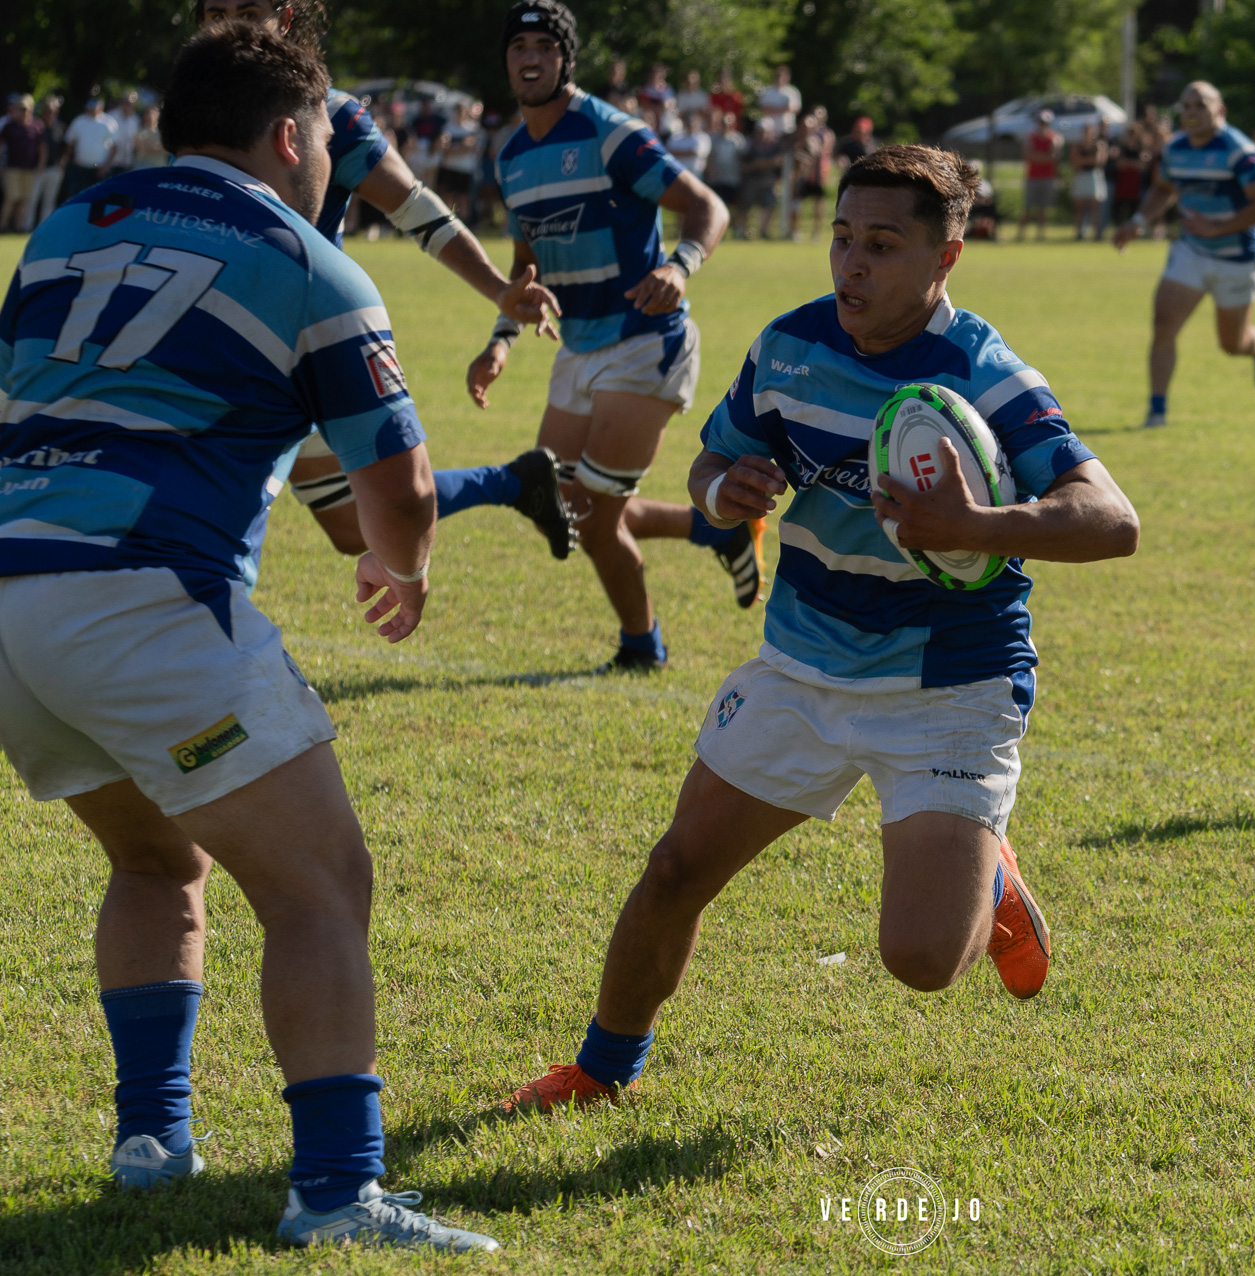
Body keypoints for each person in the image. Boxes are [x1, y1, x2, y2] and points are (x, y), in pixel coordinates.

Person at [500, 144, 1140, 1115]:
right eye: (842, 238)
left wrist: (975, 526)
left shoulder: (985, 375)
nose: (852, 265)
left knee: (921, 960)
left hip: (948, 681)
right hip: (803, 663)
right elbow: (708, 470)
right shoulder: (789, 347)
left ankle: (991, 883)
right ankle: (601, 1069)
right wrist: (724, 493)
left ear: (945, 259)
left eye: (882, 245)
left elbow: (1112, 520)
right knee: (675, 868)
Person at [0, 22, 496, 1253]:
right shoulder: (306, 257)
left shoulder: (67, 227)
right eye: (328, 136)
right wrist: (403, 566)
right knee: (321, 884)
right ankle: (335, 1192)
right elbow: (403, 487)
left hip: (12, 593)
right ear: (290, 135)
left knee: (154, 860)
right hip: (143, 596)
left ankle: (151, 1141)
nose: (331, 160)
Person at [196, 0, 572, 570]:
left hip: (301, 346)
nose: (233, 26)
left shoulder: (330, 117)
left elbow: (417, 211)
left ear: (286, 19)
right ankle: (515, 482)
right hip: (222, 332)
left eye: (250, 9)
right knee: (352, 526)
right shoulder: (192, 115)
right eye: (216, 12)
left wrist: (499, 289)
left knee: (213, 497)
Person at [468, 1, 758, 674]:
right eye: (518, 47)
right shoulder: (510, 157)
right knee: (557, 507)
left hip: (643, 341)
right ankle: (714, 530)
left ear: (565, 57)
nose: (530, 58)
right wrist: (501, 341)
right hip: (576, 347)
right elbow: (525, 268)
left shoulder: (611, 134)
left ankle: (641, 646)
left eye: (544, 45)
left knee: (596, 521)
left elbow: (707, 205)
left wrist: (679, 266)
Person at [1114, 80, 1255, 429]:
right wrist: (1138, 221)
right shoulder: (1176, 149)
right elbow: (1164, 189)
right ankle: (1157, 412)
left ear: (1220, 110)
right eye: (1186, 106)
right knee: (1163, 325)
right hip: (1191, 251)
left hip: (1236, 258)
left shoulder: (1237, 150)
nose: (1191, 112)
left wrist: (1217, 228)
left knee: (1232, 344)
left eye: (1200, 105)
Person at [62, 97, 119, 202]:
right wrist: (70, 157)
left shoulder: (109, 122)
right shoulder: (79, 121)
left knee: (97, 198)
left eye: (94, 108)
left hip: (98, 168)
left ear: (100, 107)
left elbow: (115, 147)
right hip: (80, 167)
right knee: (77, 196)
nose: (91, 110)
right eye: (90, 108)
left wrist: (106, 165)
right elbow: (70, 141)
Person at [1018, 109, 1063, 241]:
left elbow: (1054, 156)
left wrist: (1037, 156)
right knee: (1027, 207)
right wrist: (1045, 157)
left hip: (1048, 177)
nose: (1042, 125)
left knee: (1043, 209)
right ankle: (1021, 235)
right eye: (1040, 122)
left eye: (1045, 123)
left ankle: (1040, 235)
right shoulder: (1030, 137)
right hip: (1032, 177)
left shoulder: (1055, 138)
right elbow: (1027, 155)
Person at [1, 94, 44, 231]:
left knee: (24, 199)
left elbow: (42, 148)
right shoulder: (10, 126)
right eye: (21, 109)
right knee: (12, 197)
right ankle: (2, 226)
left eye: (25, 109)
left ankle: (19, 227)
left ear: (31, 109)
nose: (23, 111)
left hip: (29, 168)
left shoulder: (37, 125)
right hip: (12, 167)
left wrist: (41, 164)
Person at [794, 105, 834, 240]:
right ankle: (795, 230)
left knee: (818, 202)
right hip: (804, 173)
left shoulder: (826, 133)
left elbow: (823, 152)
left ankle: (816, 233)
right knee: (797, 200)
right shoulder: (807, 132)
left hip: (818, 172)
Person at [26, 95, 65, 230]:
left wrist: (61, 163)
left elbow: (65, 147)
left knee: (49, 201)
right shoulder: (36, 126)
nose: (49, 113)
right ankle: (26, 227)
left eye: (52, 111)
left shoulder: (59, 127)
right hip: (36, 168)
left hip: (54, 169)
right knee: (31, 199)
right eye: (47, 110)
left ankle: (44, 228)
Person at [704, 109, 745, 228]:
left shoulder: (738, 139)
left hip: (733, 178)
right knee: (716, 204)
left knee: (733, 205)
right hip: (715, 178)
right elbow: (707, 157)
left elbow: (742, 158)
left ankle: (734, 227)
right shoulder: (712, 139)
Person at [1069, 120, 1109, 241]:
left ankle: (1097, 233)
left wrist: (1084, 160)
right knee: (1079, 206)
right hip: (1081, 175)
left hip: (1094, 175)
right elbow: (1075, 161)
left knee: (1095, 207)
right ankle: (1079, 232)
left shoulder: (1099, 145)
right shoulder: (1078, 145)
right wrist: (1088, 160)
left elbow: (1099, 161)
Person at [757, 64, 801, 134]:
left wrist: (774, 109)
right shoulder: (766, 91)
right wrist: (783, 109)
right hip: (769, 129)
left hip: (787, 128)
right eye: (777, 75)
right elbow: (763, 108)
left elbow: (796, 109)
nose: (779, 78)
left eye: (782, 75)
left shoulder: (792, 92)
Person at [108, 91, 141, 175]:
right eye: (125, 102)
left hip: (127, 163)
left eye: (131, 104)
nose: (128, 105)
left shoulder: (136, 120)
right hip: (110, 163)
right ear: (121, 102)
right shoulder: (110, 117)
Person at [132, 104, 169, 169]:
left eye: (153, 113)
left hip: (160, 167)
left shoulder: (163, 132)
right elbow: (141, 150)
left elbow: (168, 149)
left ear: (158, 115)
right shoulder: (140, 132)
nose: (150, 116)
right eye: (147, 113)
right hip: (144, 167)